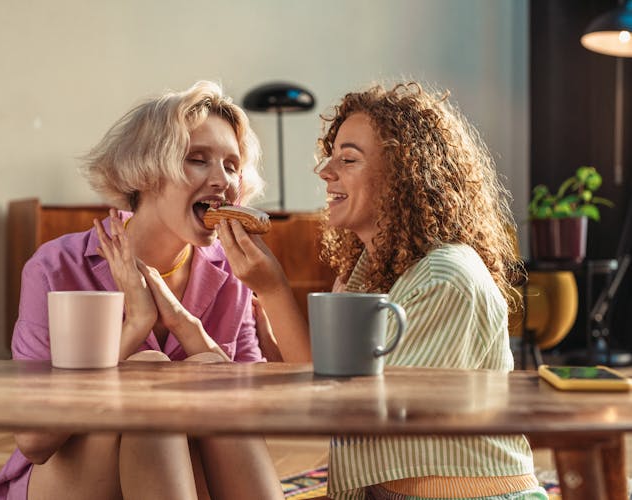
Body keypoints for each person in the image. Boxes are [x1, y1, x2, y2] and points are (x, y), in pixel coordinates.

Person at [218, 82, 547, 500]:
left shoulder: (446, 279)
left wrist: (275, 288)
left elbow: (352, 415)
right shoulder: (374, 271)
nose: (325, 171)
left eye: (348, 159)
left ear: (403, 175)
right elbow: (330, 385)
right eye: (330, 155)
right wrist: (266, 295)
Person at [0, 81, 283, 500]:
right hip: (67, 481)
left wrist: (188, 330)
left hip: (184, 480)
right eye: (198, 160)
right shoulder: (54, 267)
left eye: (232, 166)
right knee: (149, 372)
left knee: (211, 373)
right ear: (147, 172)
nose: (222, 180)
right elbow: (34, 441)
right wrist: (133, 331)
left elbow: (247, 422)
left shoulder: (233, 275)